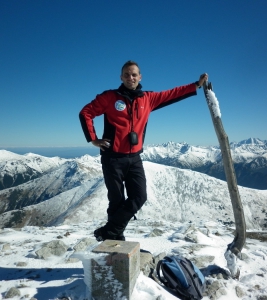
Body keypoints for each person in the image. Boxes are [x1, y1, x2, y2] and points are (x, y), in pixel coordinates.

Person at [79, 60, 208, 241]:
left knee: (139, 197)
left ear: (140, 77)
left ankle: (109, 231)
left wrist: (195, 85)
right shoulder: (109, 97)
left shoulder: (148, 98)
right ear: (121, 77)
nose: (130, 78)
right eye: (126, 74)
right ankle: (115, 239)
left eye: (134, 74)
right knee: (116, 201)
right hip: (112, 158)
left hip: (134, 159)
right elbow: (86, 112)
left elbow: (172, 94)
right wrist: (93, 138)